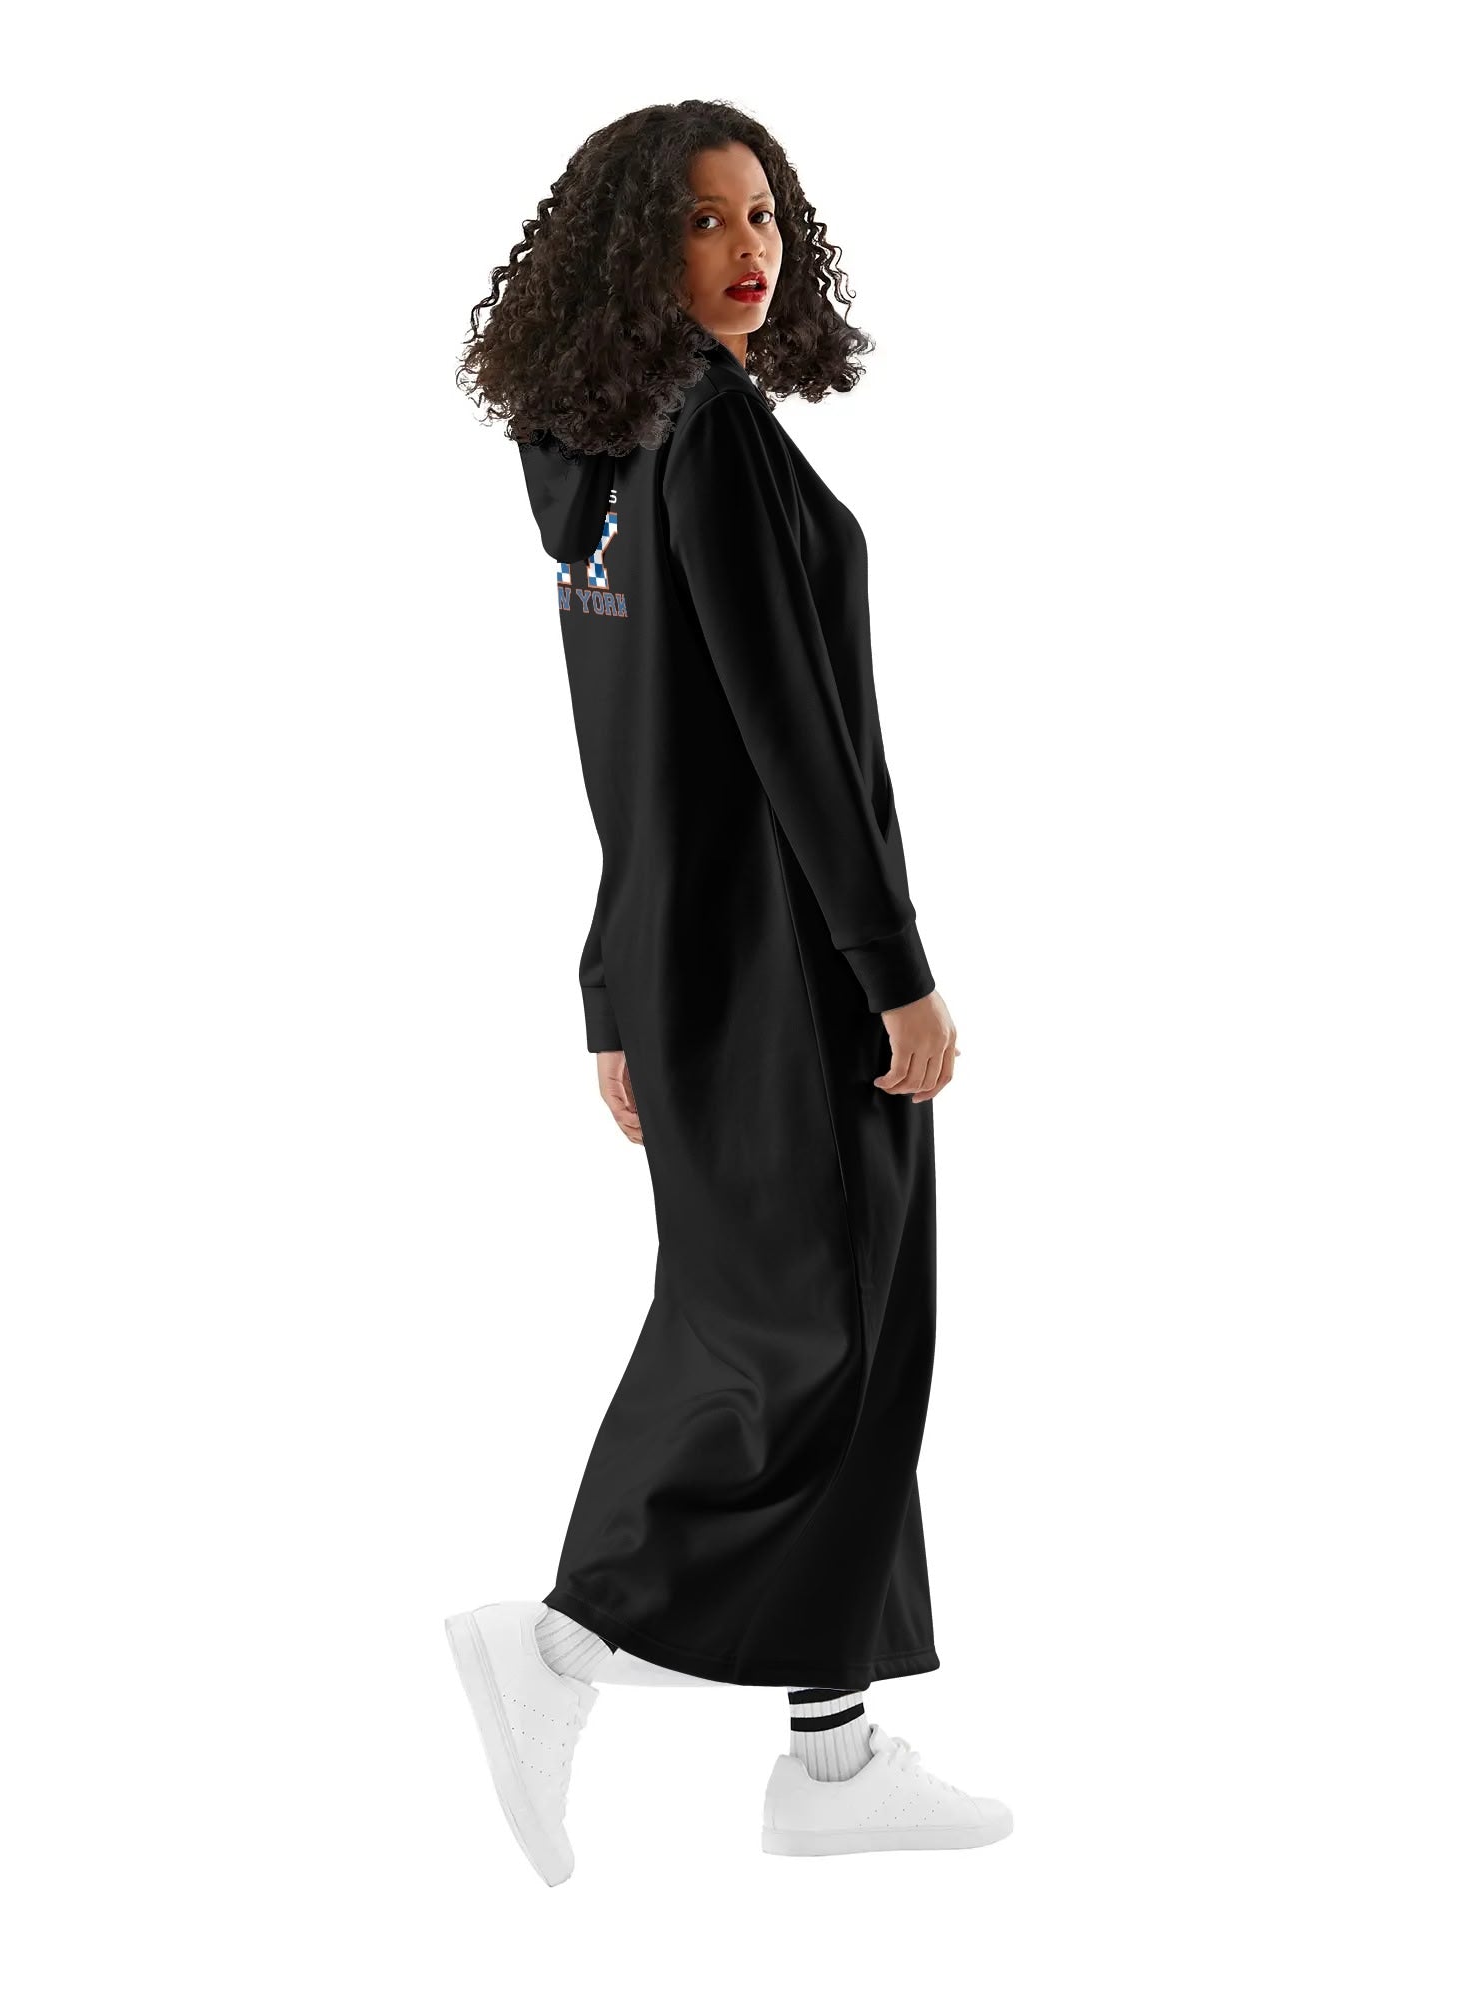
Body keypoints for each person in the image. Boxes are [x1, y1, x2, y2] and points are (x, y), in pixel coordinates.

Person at [447, 99, 1010, 1885]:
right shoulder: (713, 439)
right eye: (702, 221)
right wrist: (893, 973)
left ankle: (831, 1753)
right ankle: (564, 1646)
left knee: (807, 1320)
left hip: (685, 959)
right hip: (789, 960)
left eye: (762, 213)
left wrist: (613, 988)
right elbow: (786, 739)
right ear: (637, 246)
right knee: (810, 1334)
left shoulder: (598, 455)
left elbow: (627, 749)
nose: (748, 249)